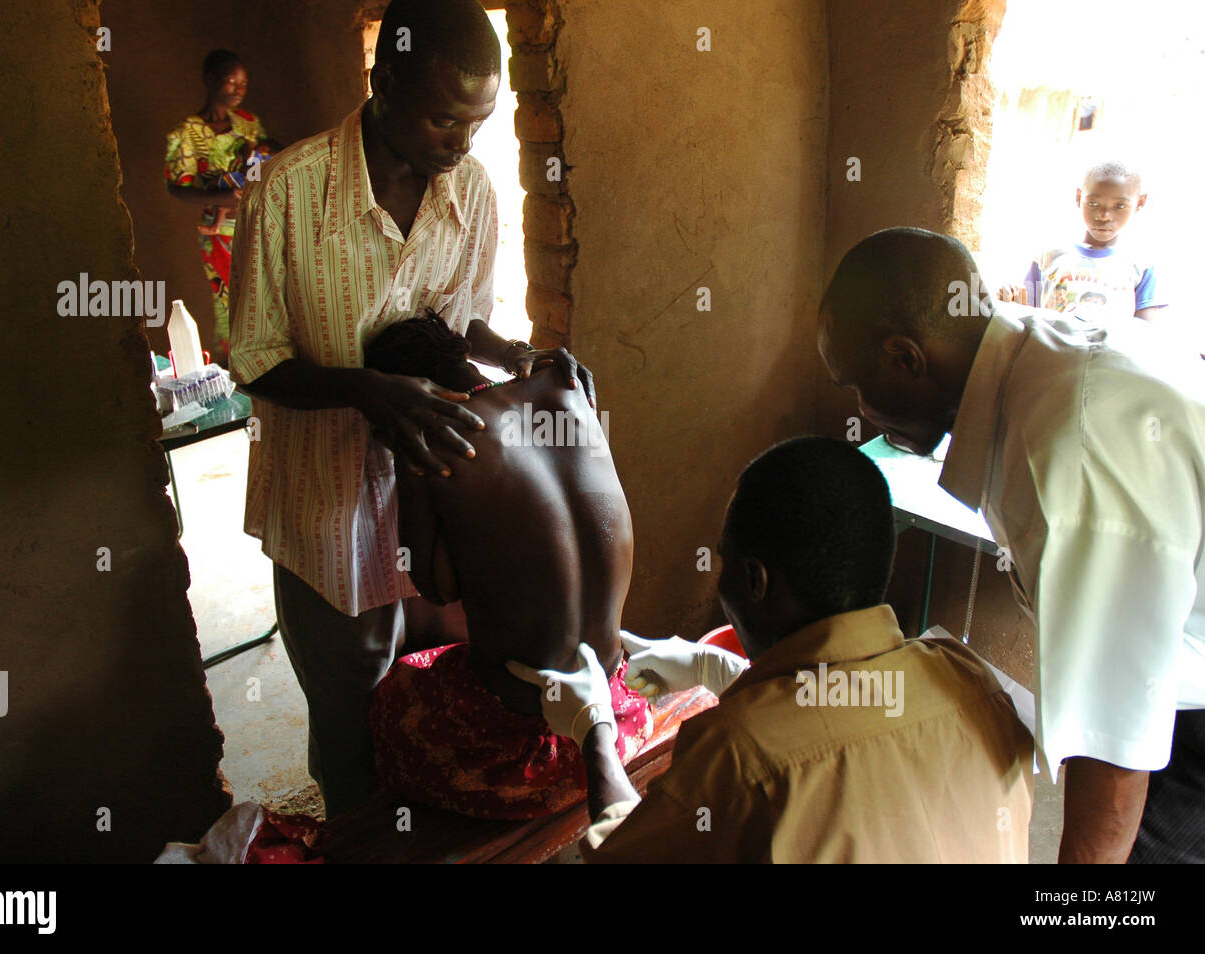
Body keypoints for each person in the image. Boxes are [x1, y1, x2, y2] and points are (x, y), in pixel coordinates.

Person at [227, 0, 595, 817]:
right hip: (326, 508)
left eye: (478, 122)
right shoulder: (286, 195)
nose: (461, 144)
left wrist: (513, 356)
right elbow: (252, 360)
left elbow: (454, 318)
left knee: (426, 689)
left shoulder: (471, 192)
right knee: (349, 705)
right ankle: (358, 831)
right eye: (441, 119)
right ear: (382, 80)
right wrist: (363, 388)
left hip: (425, 493)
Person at [819, 226, 1205, 863]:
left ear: (905, 358)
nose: (862, 409)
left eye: (855, 385)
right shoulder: (1026, 355)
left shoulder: (1070, 448)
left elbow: (1114, 743)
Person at [511, 437, 1034, 862]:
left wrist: (594, 731)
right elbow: (843, 725)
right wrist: (717, 670)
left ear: (755, 580)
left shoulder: (736, 754)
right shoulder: (969, 677)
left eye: (724, 563)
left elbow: (624, 854)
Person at [361, 315, 650, 819]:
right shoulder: (565, 388)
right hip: (619, 710)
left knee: (391, 698)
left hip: (523, 756)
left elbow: (436, 585)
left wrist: (409, 464)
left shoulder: (433, 442)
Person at [165, 50, 268, 365]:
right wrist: (220, 199)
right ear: (210, 80)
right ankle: (238, 378)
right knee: (233, 307)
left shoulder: (248, 125)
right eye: (230, 81)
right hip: (219, 233)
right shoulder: (188, 133)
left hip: (257, 224)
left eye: (244, 84)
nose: (238, 90)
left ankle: (267, 373)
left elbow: (265, 158)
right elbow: (176, 187)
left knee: (267, 303)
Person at [998, 160, 1165, 324]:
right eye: (1093, 203)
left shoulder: (1141, 267)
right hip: (1052, 352)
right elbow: (1027, 316)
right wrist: (1011, 299)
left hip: (1106, 352)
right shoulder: (1049, 257)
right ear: (1079, 197)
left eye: (1120, 206)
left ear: (1140, 203)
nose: (1104, 215)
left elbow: (1145, 334)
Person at [200, 138, 284, 237]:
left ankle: (216, 226)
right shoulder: (263, 158)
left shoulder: (262, 157)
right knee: (225, 201)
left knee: (226, 203)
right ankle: (216, 225)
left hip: (247, 185)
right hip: (245, 183)